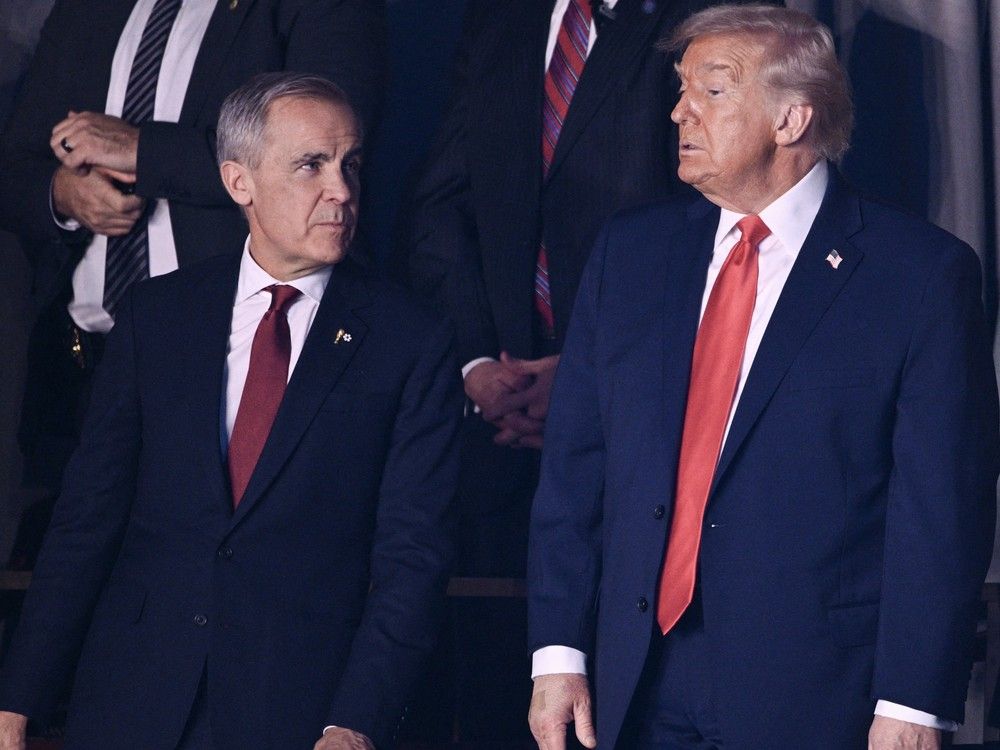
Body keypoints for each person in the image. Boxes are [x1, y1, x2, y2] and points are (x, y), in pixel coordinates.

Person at [526, 5, 1000, 749]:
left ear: (791, 118)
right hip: (633, 679)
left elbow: (940, 512)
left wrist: (912, 704)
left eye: (711, 90)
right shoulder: (631, 256)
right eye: (681, 88)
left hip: (817, 691)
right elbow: (575, 470)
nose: (679, 110)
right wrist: (558, 654)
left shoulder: (919, 277)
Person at [0, 72, 461, 750]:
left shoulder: (410, 340)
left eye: (351, 164)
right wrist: (20, 695)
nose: (341, 189)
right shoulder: (157, 317)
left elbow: (412, 558)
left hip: (301, 710)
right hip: (135, 700)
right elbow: (86, 519)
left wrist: (354, 719)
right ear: (238, 181)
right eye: (311, 165)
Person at [396, 0, 758, 736]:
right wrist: (479, 367)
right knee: (497, 694)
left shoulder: (711, 21)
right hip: (495, 423)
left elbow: (727, 224)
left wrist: (587, 378)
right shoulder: (501, 22)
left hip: (651, 429)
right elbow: (441, 205)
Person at [0, 0, 385, 535]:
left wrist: (141, 150)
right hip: (81, 371)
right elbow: (15, 168)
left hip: (238, 369)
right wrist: (63, 193)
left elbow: (320, 155)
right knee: (74, 578)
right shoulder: (85, 8)